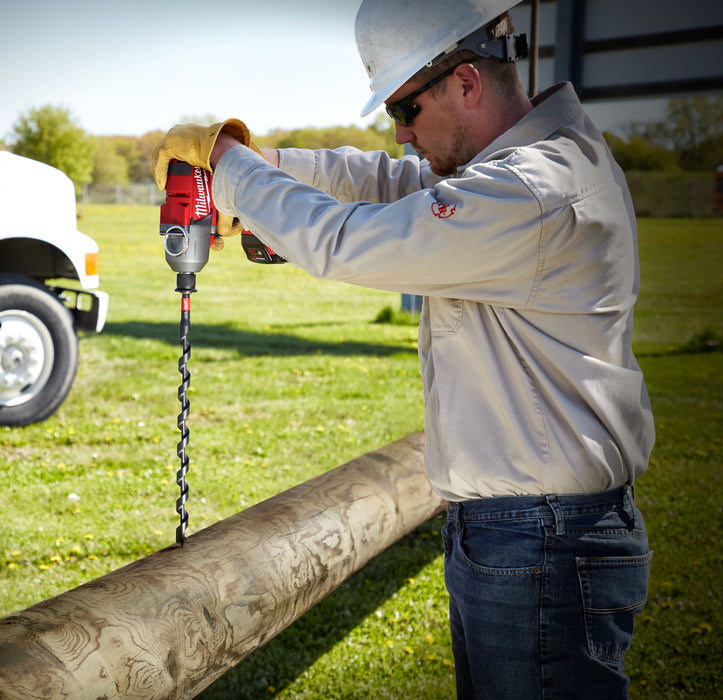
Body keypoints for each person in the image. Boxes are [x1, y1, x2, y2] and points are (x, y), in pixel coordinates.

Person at [152, 0, 655, 697]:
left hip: (544, 539)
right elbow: (389, 182)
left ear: (465, 82)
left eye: (405, 110)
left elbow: (351, 243)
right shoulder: (513, 166)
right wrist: (271, 165)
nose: (398, 131)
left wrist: (231, 166)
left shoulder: (533, 189)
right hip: (520, 531)